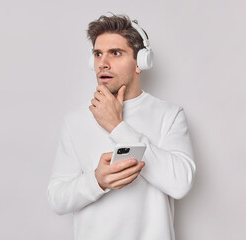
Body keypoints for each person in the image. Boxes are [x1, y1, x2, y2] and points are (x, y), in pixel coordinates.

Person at [47, 13, 196, 240]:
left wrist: (117, 127)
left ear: (141, 61)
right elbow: (57, 198)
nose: (103, 63)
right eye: (98, 54)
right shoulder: (75, 120)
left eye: (115, 53)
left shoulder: (170, 115)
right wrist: (96, 181)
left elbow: (180, 184)